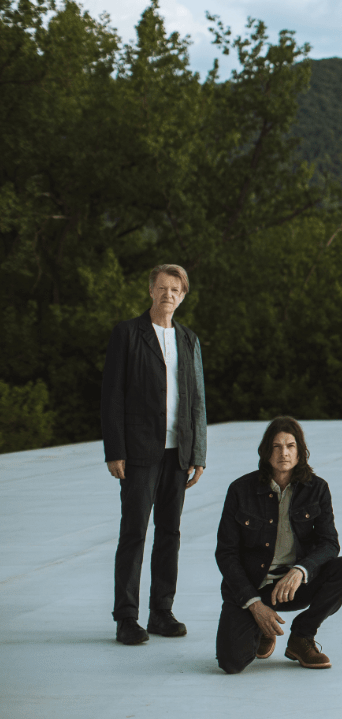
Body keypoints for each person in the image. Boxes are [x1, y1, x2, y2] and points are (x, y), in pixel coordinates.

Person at [101, 264, 206, 645]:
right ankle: (126, 617)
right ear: (150, 290)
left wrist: (198, 452)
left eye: (175, 289)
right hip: (139, 452)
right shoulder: (128, 335)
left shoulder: (189, 339)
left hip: (177, 453)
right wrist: (115, 450)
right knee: (134, 532)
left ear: (183, 295)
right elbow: (112, 395)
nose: (168, 295)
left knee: (170, 534)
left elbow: (197, 402)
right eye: (162, 288)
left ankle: (161, 611)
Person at [214, 417, 342, 673]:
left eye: (291, 446)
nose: (284, 453)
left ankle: (301, 637)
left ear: (300, 451)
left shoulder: (317, 489)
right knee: (231, 663)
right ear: (265, 451)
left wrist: (301, 570)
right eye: (276, 446)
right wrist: (255, 605)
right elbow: (226, 554)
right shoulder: (240, 490)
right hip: (253, 588)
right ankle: (263, 627)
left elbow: (329, 543)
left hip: (294, 586)